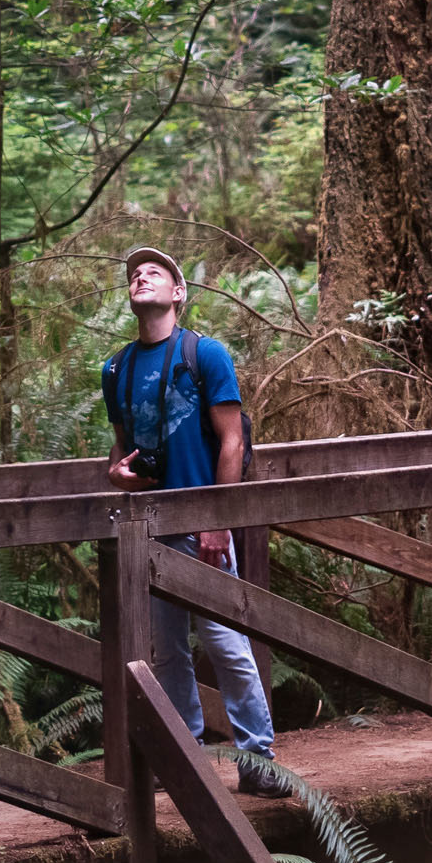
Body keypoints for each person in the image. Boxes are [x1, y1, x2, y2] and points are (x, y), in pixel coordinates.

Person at [103, 246, 289, 798]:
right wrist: (117, 475)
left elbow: (231, 440)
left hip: (201, 526)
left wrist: (216, 521)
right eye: (134, 274)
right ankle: (186, 758)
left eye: (154, 272)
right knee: (166, 650)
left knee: (225, 642)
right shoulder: (117, 367)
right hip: (150, 529)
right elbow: (120, 452)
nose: (141, 277)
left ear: (178, 294)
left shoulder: (205, 355)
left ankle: (259, 760)